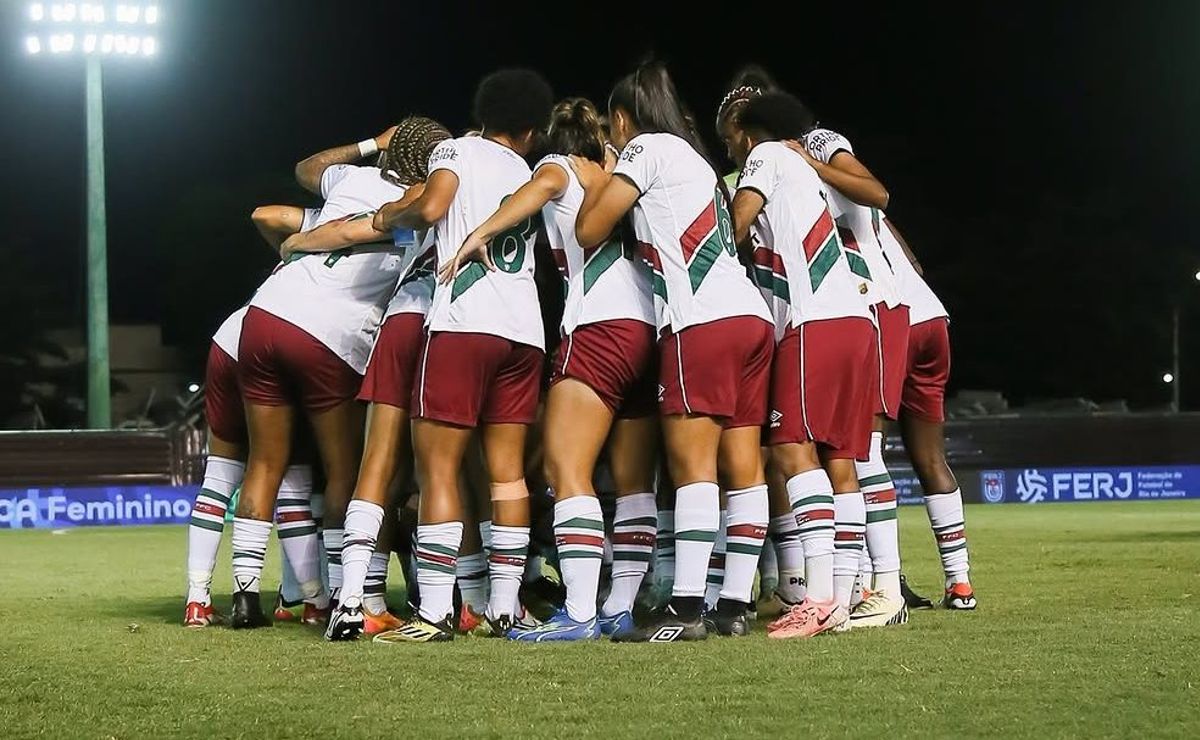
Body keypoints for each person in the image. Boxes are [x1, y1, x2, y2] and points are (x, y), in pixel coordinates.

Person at [439, 97, 659, 641]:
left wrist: (481, 231)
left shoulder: (558, 166)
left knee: (567, 470)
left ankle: (581, 612)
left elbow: (537, 192)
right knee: (634, 483)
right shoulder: (615, 173)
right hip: (646, 327)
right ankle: (620, 606)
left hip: (599, 327)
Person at [574, 62, 773, 641]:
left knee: (692, 470)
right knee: (744, 469)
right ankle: (732, 604)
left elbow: (590, 231)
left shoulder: (644, 150)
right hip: (749, 319)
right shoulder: (699, 159)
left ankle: (685, 608)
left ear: (620, 118)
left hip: (699, 322)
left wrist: (606, 171)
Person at [369, 69, 554, 643]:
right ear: (530, 129)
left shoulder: (456, 148)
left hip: (464, 324)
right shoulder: (526, 169)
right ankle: (504, 608)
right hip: (523, 332)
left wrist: (390, 216)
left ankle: (434, 613)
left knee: (439, 468)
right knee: (506, 476)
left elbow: (432, 208)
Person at [226, 124, 410, 628]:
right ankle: (340, 597)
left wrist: (373, 143)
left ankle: (245, 597)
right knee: (345, 472)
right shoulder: (420, 202)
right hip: (330, 334)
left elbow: (305, 171)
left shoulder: (351, 180)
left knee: (265, 461)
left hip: (264, 314)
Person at [729, 92, 881, 637]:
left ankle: (815, 598)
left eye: (733, 136)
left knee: (792, 449)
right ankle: (841, 597)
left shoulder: (767, 156)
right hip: (856, 321)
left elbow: (736, 224)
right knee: (840, 461)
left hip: (814, 321)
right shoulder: (809, 173)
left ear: (750, 133)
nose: (732, 145)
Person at [318, 117, 455, 640]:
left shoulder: (416, 198)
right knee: (450, 472)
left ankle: (350, 600)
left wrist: (300, 243)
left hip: (401, 321)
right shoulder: (482, 188)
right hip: (452, 326)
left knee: (375, 465)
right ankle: (467, 600)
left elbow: (354, 229)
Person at [790, 106, 909, 628]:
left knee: (865, 452)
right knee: (849, 452)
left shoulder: (817, 142)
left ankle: (887, 586)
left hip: (871, 305)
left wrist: (810, 159)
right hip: (857, 307)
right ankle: (864, 583)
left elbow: (877, 193)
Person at [183, 206, 324, 628]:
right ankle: (314, 600)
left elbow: (264, 214)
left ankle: (197, 601)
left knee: (219, 478)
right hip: (292, 341)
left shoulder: (319, 227)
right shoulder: (370, 230)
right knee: (293, 484)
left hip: (232, 335)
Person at [877, 215, 976, 610]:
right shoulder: (864, 195)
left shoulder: (808, 194)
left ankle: (884, 580)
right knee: (933, 459)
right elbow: (914, 264)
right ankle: (960, 582)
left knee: (864, 455)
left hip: (890, 320)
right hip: (931, 316)